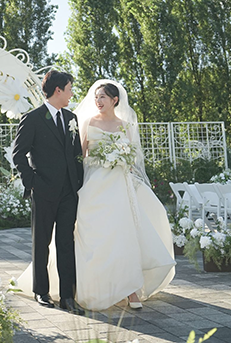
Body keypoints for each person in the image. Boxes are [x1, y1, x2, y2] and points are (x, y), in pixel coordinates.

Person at [72, 80, 175, 311]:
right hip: (94, 187)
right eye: (96, 97)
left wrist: (120, 159)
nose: (98, 101)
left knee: (122, 234)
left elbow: (133, 159)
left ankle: (131, 290)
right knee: (96, 235)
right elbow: (79, 156)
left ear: (114, 100)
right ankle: (97, 287)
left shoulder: (126, 126)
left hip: (118, 186)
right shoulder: (88, 122)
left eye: (103, 98)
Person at [12, 70, 85, 314]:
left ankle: (67, 296)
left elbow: (76, 155)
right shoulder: (32, 118)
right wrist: (32, 183)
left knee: (66, 243)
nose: (72, 93)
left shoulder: (71, 117)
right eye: (70, 88)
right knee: (41, 243)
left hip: (68, 193)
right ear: (58, 90)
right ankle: (41, 292)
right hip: (43, 191)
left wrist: (77, 182)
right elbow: (18, 154)